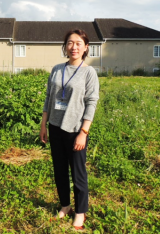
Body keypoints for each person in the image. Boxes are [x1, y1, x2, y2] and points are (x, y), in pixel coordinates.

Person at [40, 29, 99, 230]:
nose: (74, 47)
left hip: (75, 130)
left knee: (78, 173)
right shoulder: (57, 69)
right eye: (70, 43)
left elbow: (91, 102)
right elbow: (49, 97)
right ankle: (65, 205)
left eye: (78, 43)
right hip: (55, 127)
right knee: (59, 171)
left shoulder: (89, 72)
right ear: (65, 46)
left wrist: (84, 132)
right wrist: (44, 124)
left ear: (85, 47)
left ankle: (80, 212)